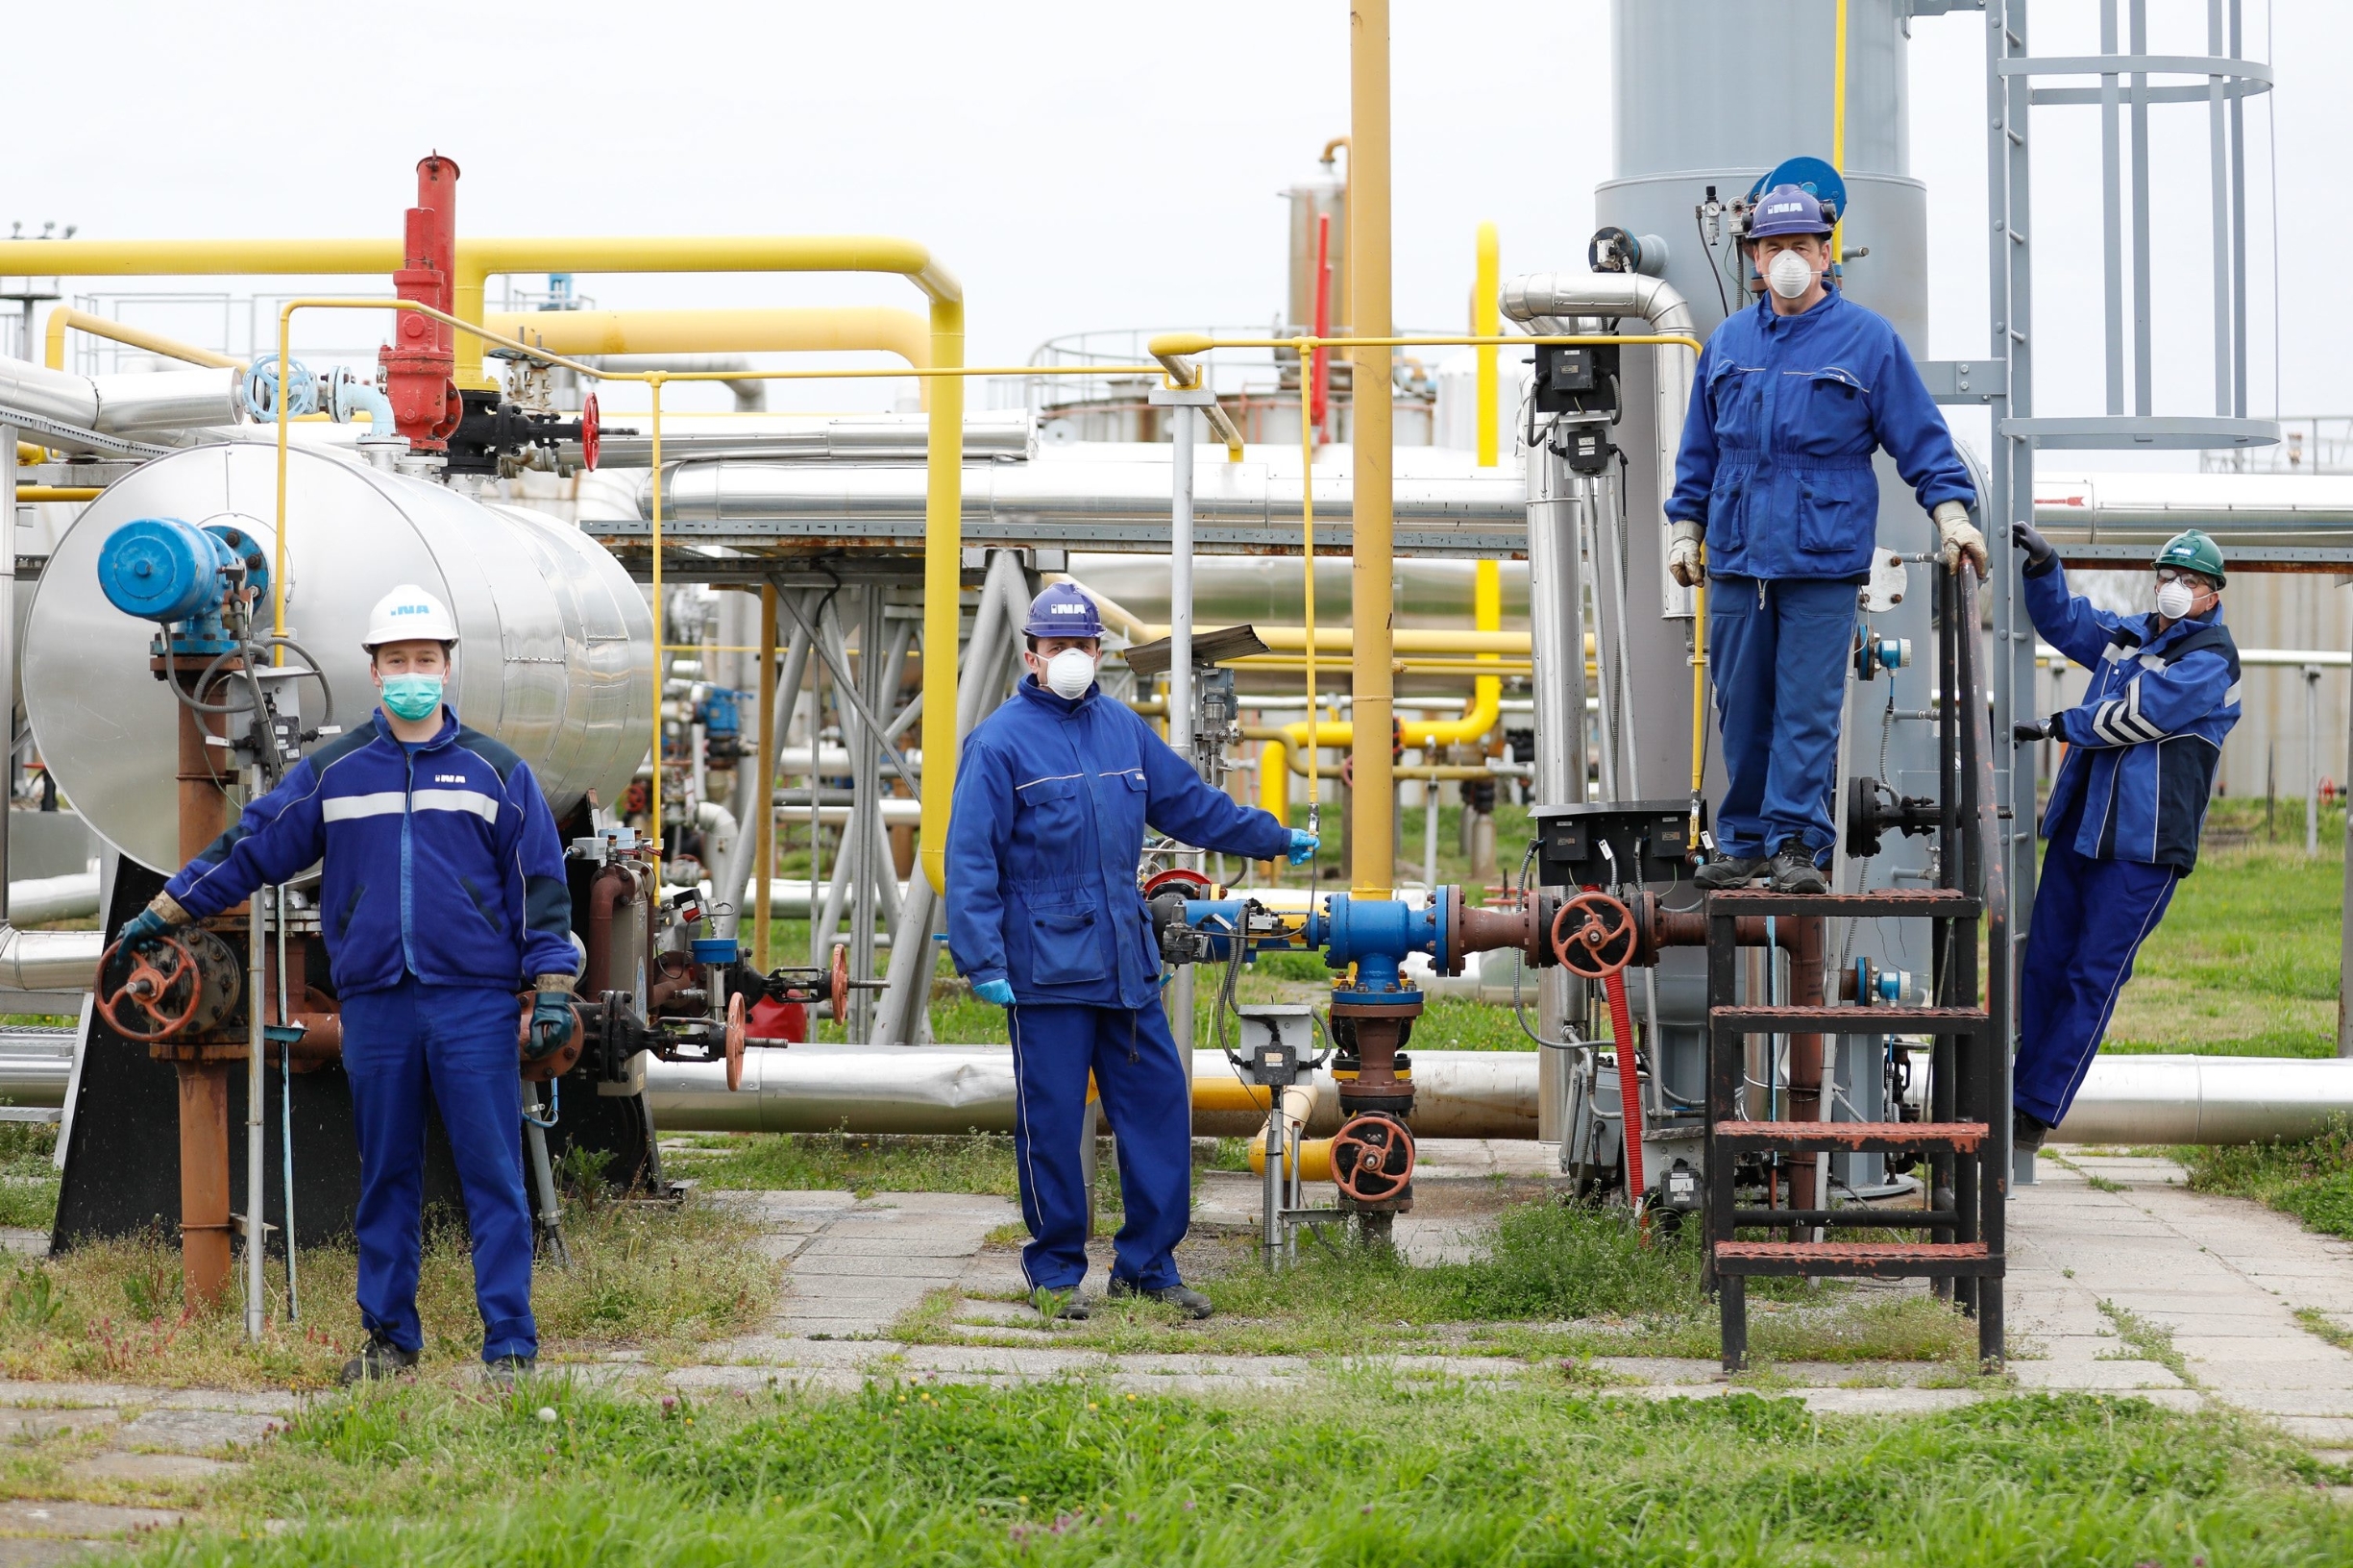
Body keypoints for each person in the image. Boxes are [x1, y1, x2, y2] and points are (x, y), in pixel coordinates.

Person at [114, 585, 578, 1385]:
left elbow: (541, 882)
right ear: (374, 671)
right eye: (396, 661)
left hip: (472, 1002)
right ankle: (390, 1341)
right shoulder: (335, 772)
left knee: (493, 1176)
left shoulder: (497, 773)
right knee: (386, 1175)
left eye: (424, 661)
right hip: (377, 1003)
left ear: (446, 668)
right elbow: (255, 846)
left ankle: (509, 1346)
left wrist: (555, 985)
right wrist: (167, 906)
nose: (411, 674)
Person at [945, 583, 1317, 1320]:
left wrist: (1270, 836)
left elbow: (1191, 806)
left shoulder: (1122, 729)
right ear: (1031, 655)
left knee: (1156, 1111)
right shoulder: (997, 743)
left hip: (1124, 961)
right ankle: (1054, 1274)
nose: (1072, 659)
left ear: (1098, 653)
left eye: (1083, 646)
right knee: (1051, 1124)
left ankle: (1148, 1266)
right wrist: (981, 961)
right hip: (1044, 972)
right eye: (1058, 648)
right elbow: (970, 860)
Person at [1667, 181, 1985, 894]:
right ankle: (1744, 841)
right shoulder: (1727, 343)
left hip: (1820, 560)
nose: (1786, 259)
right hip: (1740, 559)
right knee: (1740, 707)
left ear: (1824, 253)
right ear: (1753, 256)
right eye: (1773, 246)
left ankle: (1794, 846)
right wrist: (1684, 527)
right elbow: (1699, 451)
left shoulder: (1867, 341)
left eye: (1800, 246)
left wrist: (1951, 515)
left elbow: (1920, 439)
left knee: (1805, 710)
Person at [2007, 527, 2241, 1151]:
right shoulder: (2130, 637)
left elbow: (2135, 715)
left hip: (2142, 849)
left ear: (2212, 595)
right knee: (2041, 965)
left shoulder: (2212, 661)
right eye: (2168, 576)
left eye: (2189, 582)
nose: (2174, 589)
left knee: (2091, 976)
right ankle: (2013, 1094)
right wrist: (2044, 567)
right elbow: (2064, 621)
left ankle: (2031, 1112)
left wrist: (2058, 723)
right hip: (2080, 834)